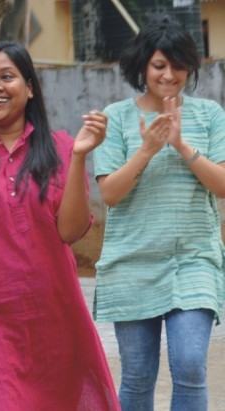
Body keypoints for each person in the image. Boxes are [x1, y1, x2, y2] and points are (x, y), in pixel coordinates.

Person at [0, 41, 119, 410]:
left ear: (29, 88)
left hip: (51, 321)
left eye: (6, 76)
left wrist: (79, 158)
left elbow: (71, 232)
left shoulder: (61, 147)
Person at [93, 16, 225, 410]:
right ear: (142, 66)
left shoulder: (210, 114)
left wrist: (182, 146)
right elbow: (110, 195)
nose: (169, 75)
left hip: (194, 259)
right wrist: (147, 149)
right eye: (159, 65)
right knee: (136, 375)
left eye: (178, 65)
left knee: (190, 365)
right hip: (132, 263)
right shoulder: (116, 116)